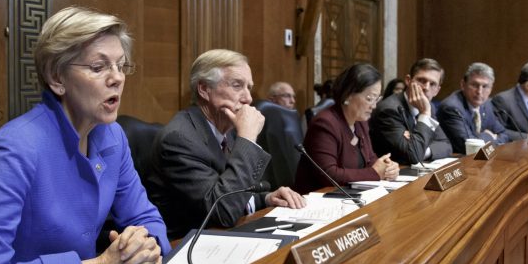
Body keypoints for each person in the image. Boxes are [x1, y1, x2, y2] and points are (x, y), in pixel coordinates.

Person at [0, 6, 170, 264]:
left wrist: (143, 246)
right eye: (99, 67)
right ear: (57, 77)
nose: (117, 78)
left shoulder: (112, 136)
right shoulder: (16, 147)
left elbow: (148, 220)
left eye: (121, 66)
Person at [146, 49, 306, 239]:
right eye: (237, 85)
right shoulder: (180, 139)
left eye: (249, 87)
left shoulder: (225, 131)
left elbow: (231, 191)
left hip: (221, 237)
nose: (248, 98)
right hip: (184, 248)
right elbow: (223, 211)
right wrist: (247, 138)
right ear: (204, 89)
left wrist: (266, 199)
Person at [294, 64, 399, 195]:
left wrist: (387, 167)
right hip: (317, 201)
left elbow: (370, 159)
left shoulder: (360, 122)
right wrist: (375, 173)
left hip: (347, 196)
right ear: (348, 95)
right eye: (369, 98)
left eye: (377, 99)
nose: (374, 106)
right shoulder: (325, 123)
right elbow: (329, 174)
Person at [369, 58, 453, 165]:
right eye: (421, 80)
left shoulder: (429, 106)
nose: (426, 87)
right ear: (408, 80)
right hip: (392, 174)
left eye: (432, 84)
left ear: (437, 91)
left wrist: (424, 150)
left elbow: (446, 145)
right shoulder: (389, 110)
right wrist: (425, 113)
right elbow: (413, 155)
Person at [437, 62, 510, 153]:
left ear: (491, 89)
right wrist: (490, 136)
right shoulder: (451, 107)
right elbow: (467, 146)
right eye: (475, 85)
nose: (479, 91)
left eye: (485, 86)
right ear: (463, 85)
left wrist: (481, 138)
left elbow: (505, 135)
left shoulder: (487, 104)